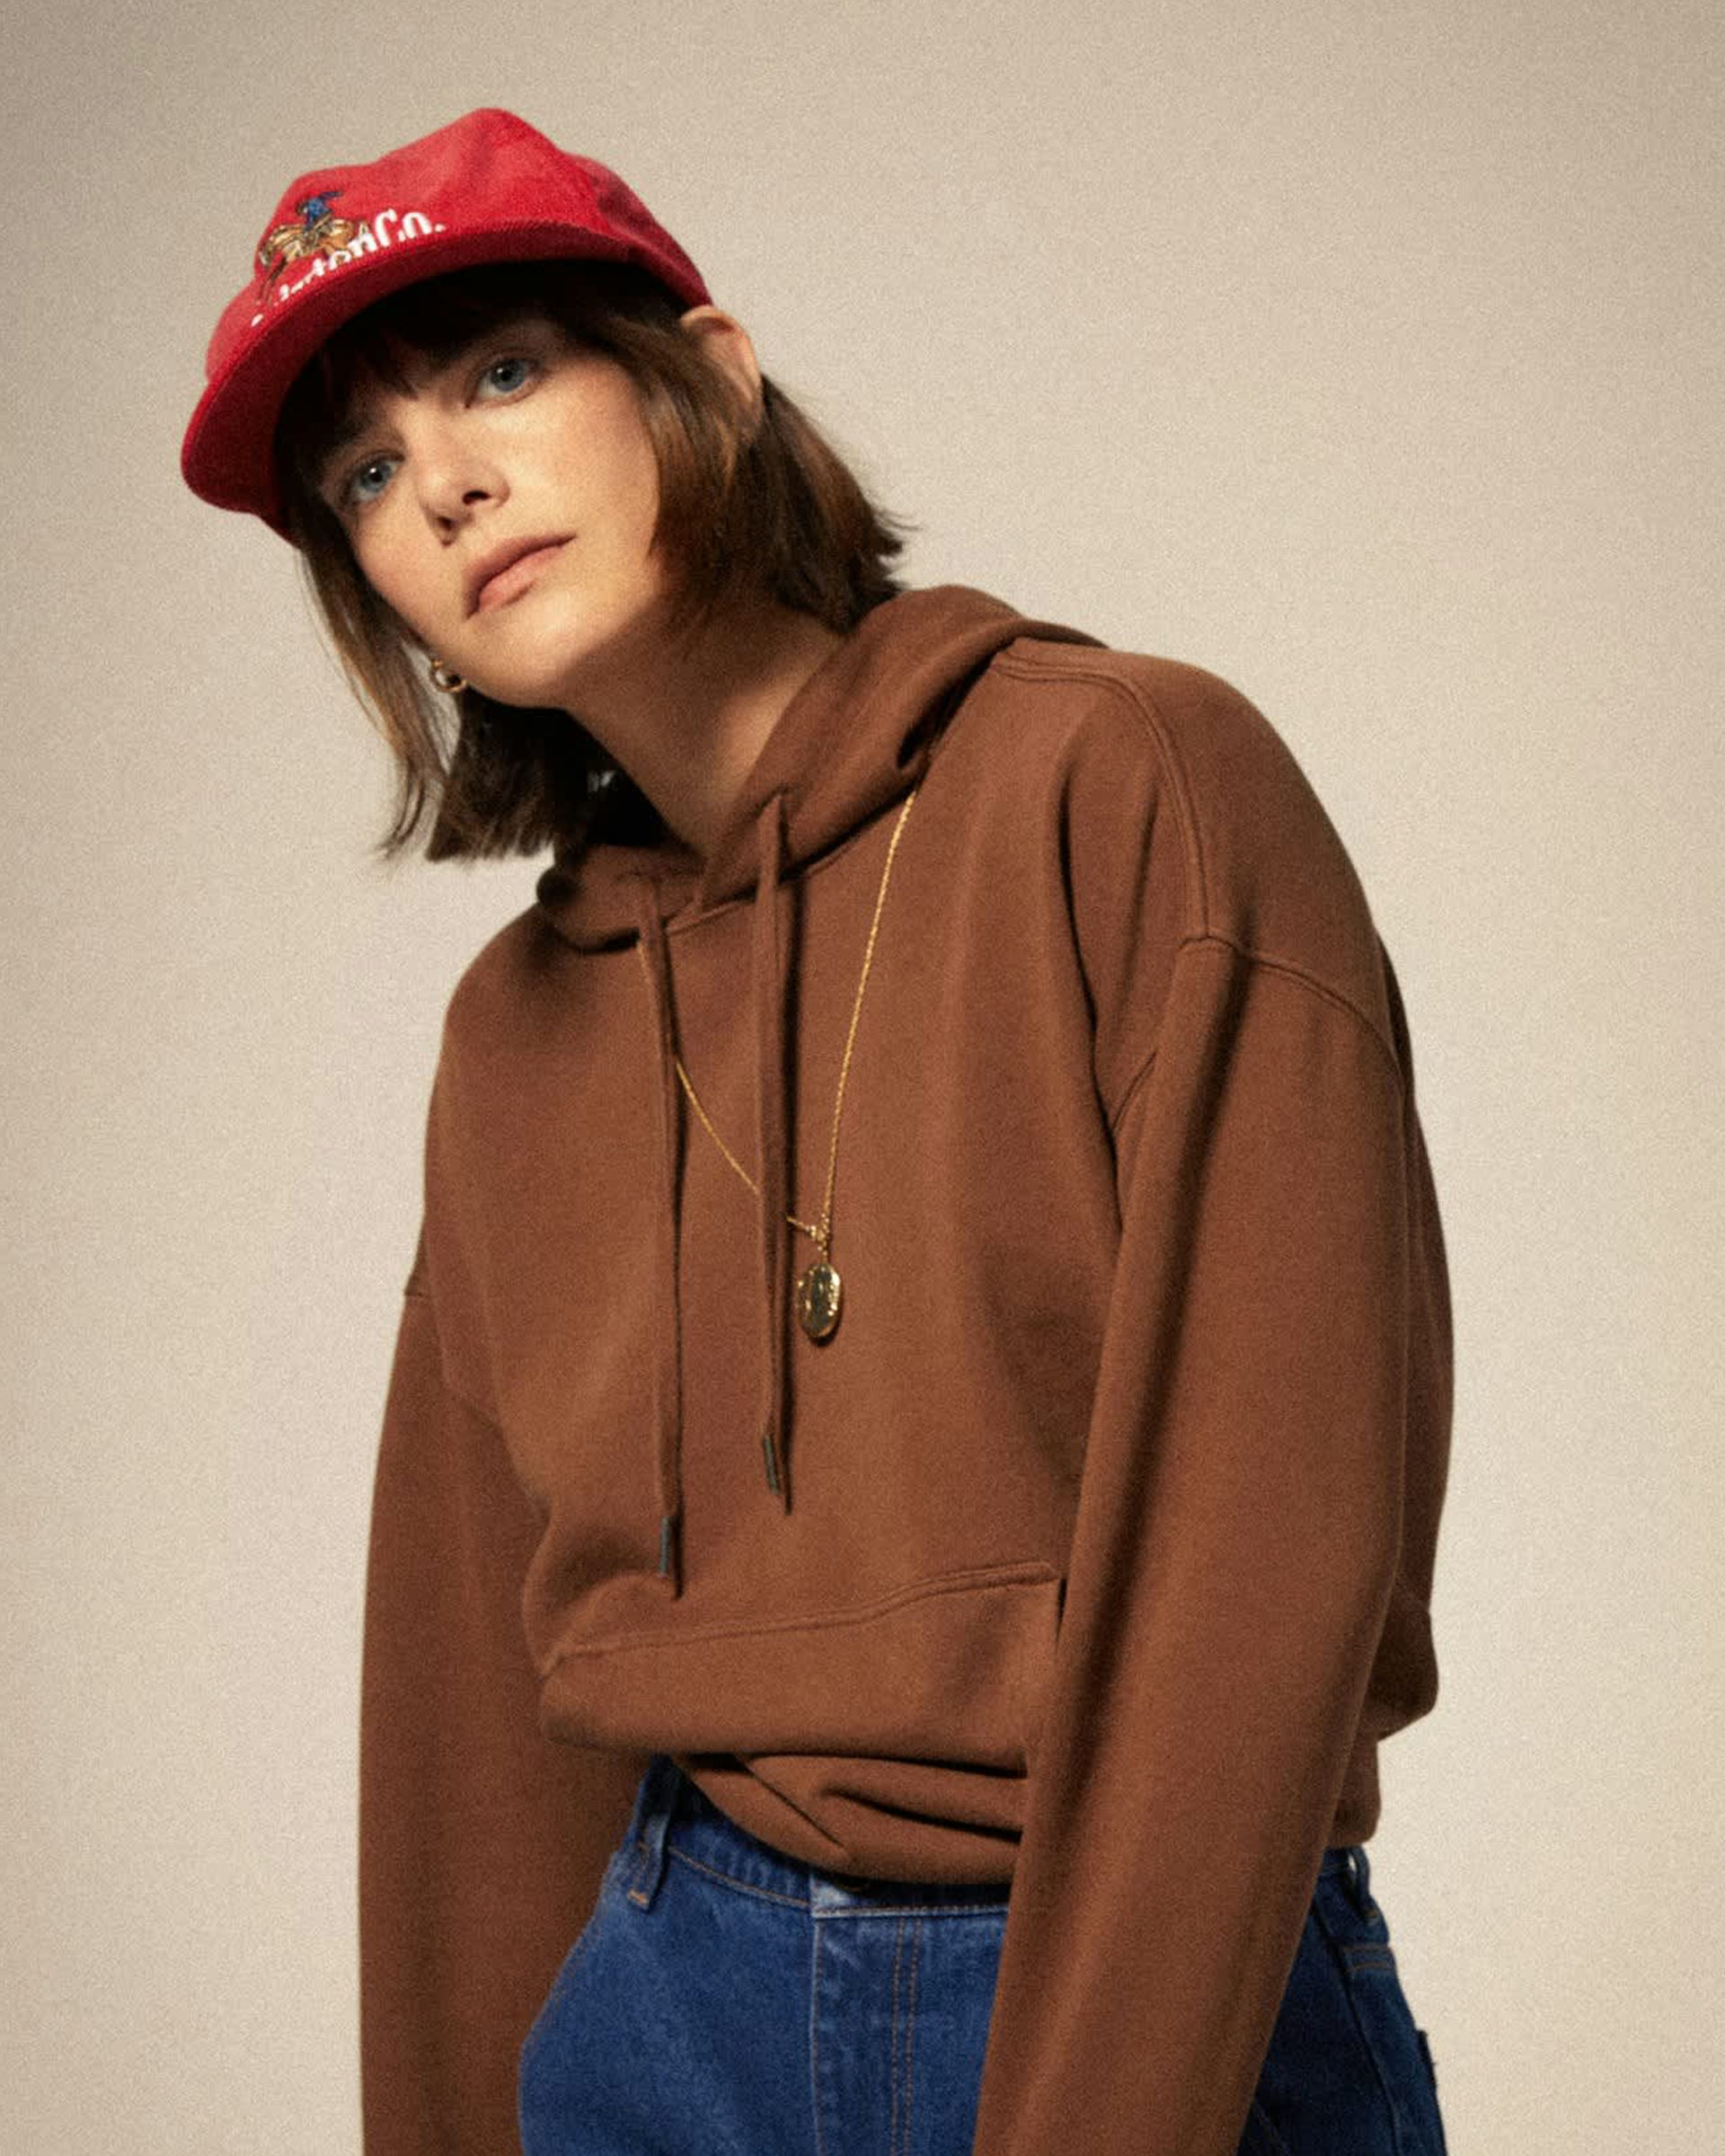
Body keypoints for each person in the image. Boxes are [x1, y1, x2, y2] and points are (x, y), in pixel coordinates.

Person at [181, 108, 1453, 2156]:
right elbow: (473, 1706)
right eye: (367, 473)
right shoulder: (516, 1033)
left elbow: (1262, 1560)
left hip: (1139, 1994)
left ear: (710, 373)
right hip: (670, 2005)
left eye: (500, 372)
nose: (448, 483)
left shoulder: (1126, 781)